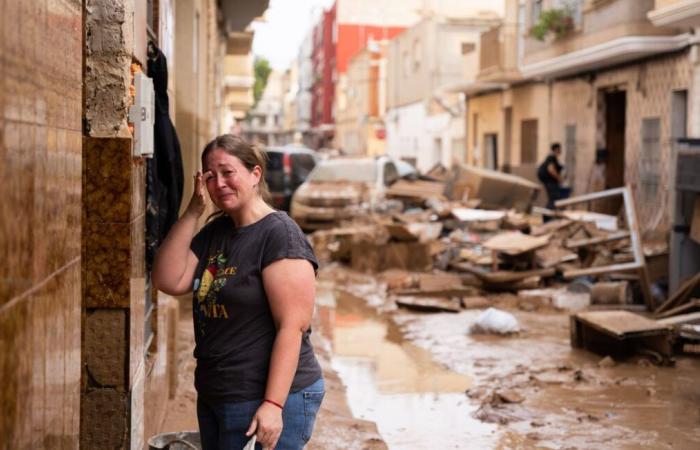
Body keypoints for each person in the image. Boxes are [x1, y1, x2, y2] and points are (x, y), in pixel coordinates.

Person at [152, 134, 324, 450]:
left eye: (227, 172)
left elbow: (293, 326)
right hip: (219, 391)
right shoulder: (216, 231)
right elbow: (168, 279)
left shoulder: (279, 235)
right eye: (210, 175)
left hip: (267, 394)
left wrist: (273, 404)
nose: (219, 183)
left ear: (255, 174)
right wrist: (193, 210)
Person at [537, 143, 564, 212]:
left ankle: (548, 215)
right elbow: (551, 169)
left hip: (550, 181)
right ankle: (547, 216)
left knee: (554, 198)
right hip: (550, 181)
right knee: (554, 198)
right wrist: (559, 178)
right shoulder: (551, 157)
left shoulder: (553, 158)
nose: (561, 151)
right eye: (559, 149)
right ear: (556, 149)